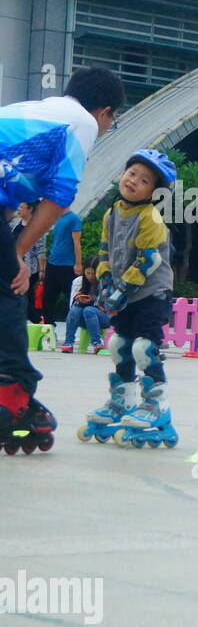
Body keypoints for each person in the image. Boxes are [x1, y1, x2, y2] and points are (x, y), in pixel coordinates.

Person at [1, 65, 124, 452]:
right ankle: (14, 388)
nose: (106, 128)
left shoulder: (25, 110)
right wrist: (18, 254)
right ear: (104, 111)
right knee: (10, 289)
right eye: (112, 121)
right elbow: (60, 195)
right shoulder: (82, 123)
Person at [81, 149, 180, 448]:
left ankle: (155, 405)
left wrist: (120, 290)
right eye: (132, 173)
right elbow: (104, 250)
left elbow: (148, 261)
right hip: (125, 293)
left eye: (144, 180)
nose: (134, 181)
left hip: (152, 293)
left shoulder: (150, 218)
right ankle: (122, 402)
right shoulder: (113, 213)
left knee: (143, 347)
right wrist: (106, 279)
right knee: (118, 345)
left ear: (155, 192)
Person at [41, 209, 83, 324]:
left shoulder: (74, 218)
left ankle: (74, 325)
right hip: (53, 263)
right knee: (48, 296)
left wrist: (78, 263)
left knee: (71, 296)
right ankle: (49, 325)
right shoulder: (57, 217)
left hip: (67, 265)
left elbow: (77, 242)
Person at [61, 257, 108, 352]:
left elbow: (108, 306)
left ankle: (97, 343)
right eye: (87, 273)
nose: (90, 276)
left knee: (89, 310)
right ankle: (68, 343)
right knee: (74, 310)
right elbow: (71, 307)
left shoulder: (106, 282)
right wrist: (78, 300)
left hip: (104, 317)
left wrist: (94, 301)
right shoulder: (79, 282)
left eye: (93, 273)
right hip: (84, 318)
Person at [8, 202, 43, 322]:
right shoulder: (17, 225)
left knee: (26, 296)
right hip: (15, 267)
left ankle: (37, 320)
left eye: (22, 207)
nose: (19, 209)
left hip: (30, 268)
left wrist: (42, 269)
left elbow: (41, 250)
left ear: (30, 209)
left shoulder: (36, 227)